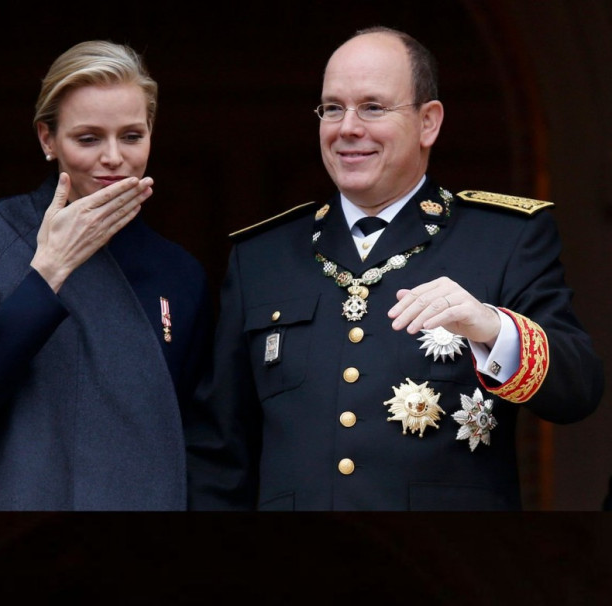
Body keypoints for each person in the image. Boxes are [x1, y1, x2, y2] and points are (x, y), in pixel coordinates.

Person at [185, 26, 603, 511]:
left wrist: (493, 329)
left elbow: (579, 390)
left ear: (429, 122)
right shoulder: (261, 257)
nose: (347, 128)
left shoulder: (504, 239)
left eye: (373, 107)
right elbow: (219, 455)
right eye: (333, 108)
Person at [0, 40, 211, 511]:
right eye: (89, 138)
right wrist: (48, 270)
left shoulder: (179, 273)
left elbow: (199, 444)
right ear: (47, 139)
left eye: (132, 136)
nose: (113, 157)